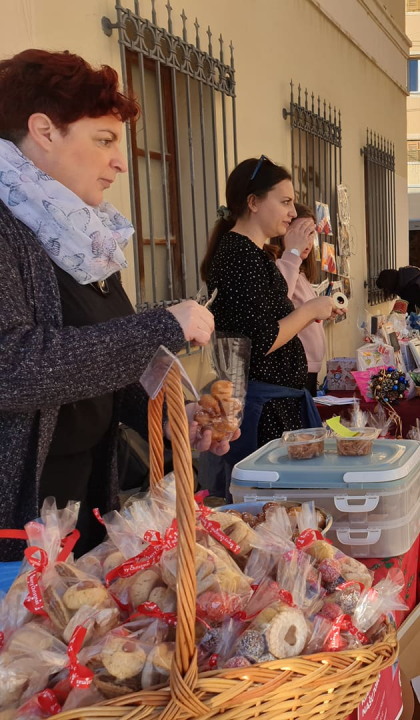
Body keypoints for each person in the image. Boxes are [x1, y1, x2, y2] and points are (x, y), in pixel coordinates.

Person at [0, 49, 229, 558]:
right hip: (16, 533)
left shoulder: (79, 239)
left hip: (81, 512)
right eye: (103, 140)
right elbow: (12, 366)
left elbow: (104, 371)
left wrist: (178, 416)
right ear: (43, 130)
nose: (121, 162)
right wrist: (157, 327)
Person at [201, 156, 342, 465]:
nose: (292, 213)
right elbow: (263, 339)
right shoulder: (240, 256)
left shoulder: (253, 254)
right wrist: (309, 311)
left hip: (277, 406)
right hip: (264, 413)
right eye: (285, 202)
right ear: (253, 202)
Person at [266, 203, 327, 395]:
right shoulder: (280, 266)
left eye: (310, 234)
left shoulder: (299, 270)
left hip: (309, 367)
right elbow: (279, 298)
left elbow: (300, 311)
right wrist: (291, 253)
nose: (306, 241)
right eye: (300, 233)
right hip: (296, 367)